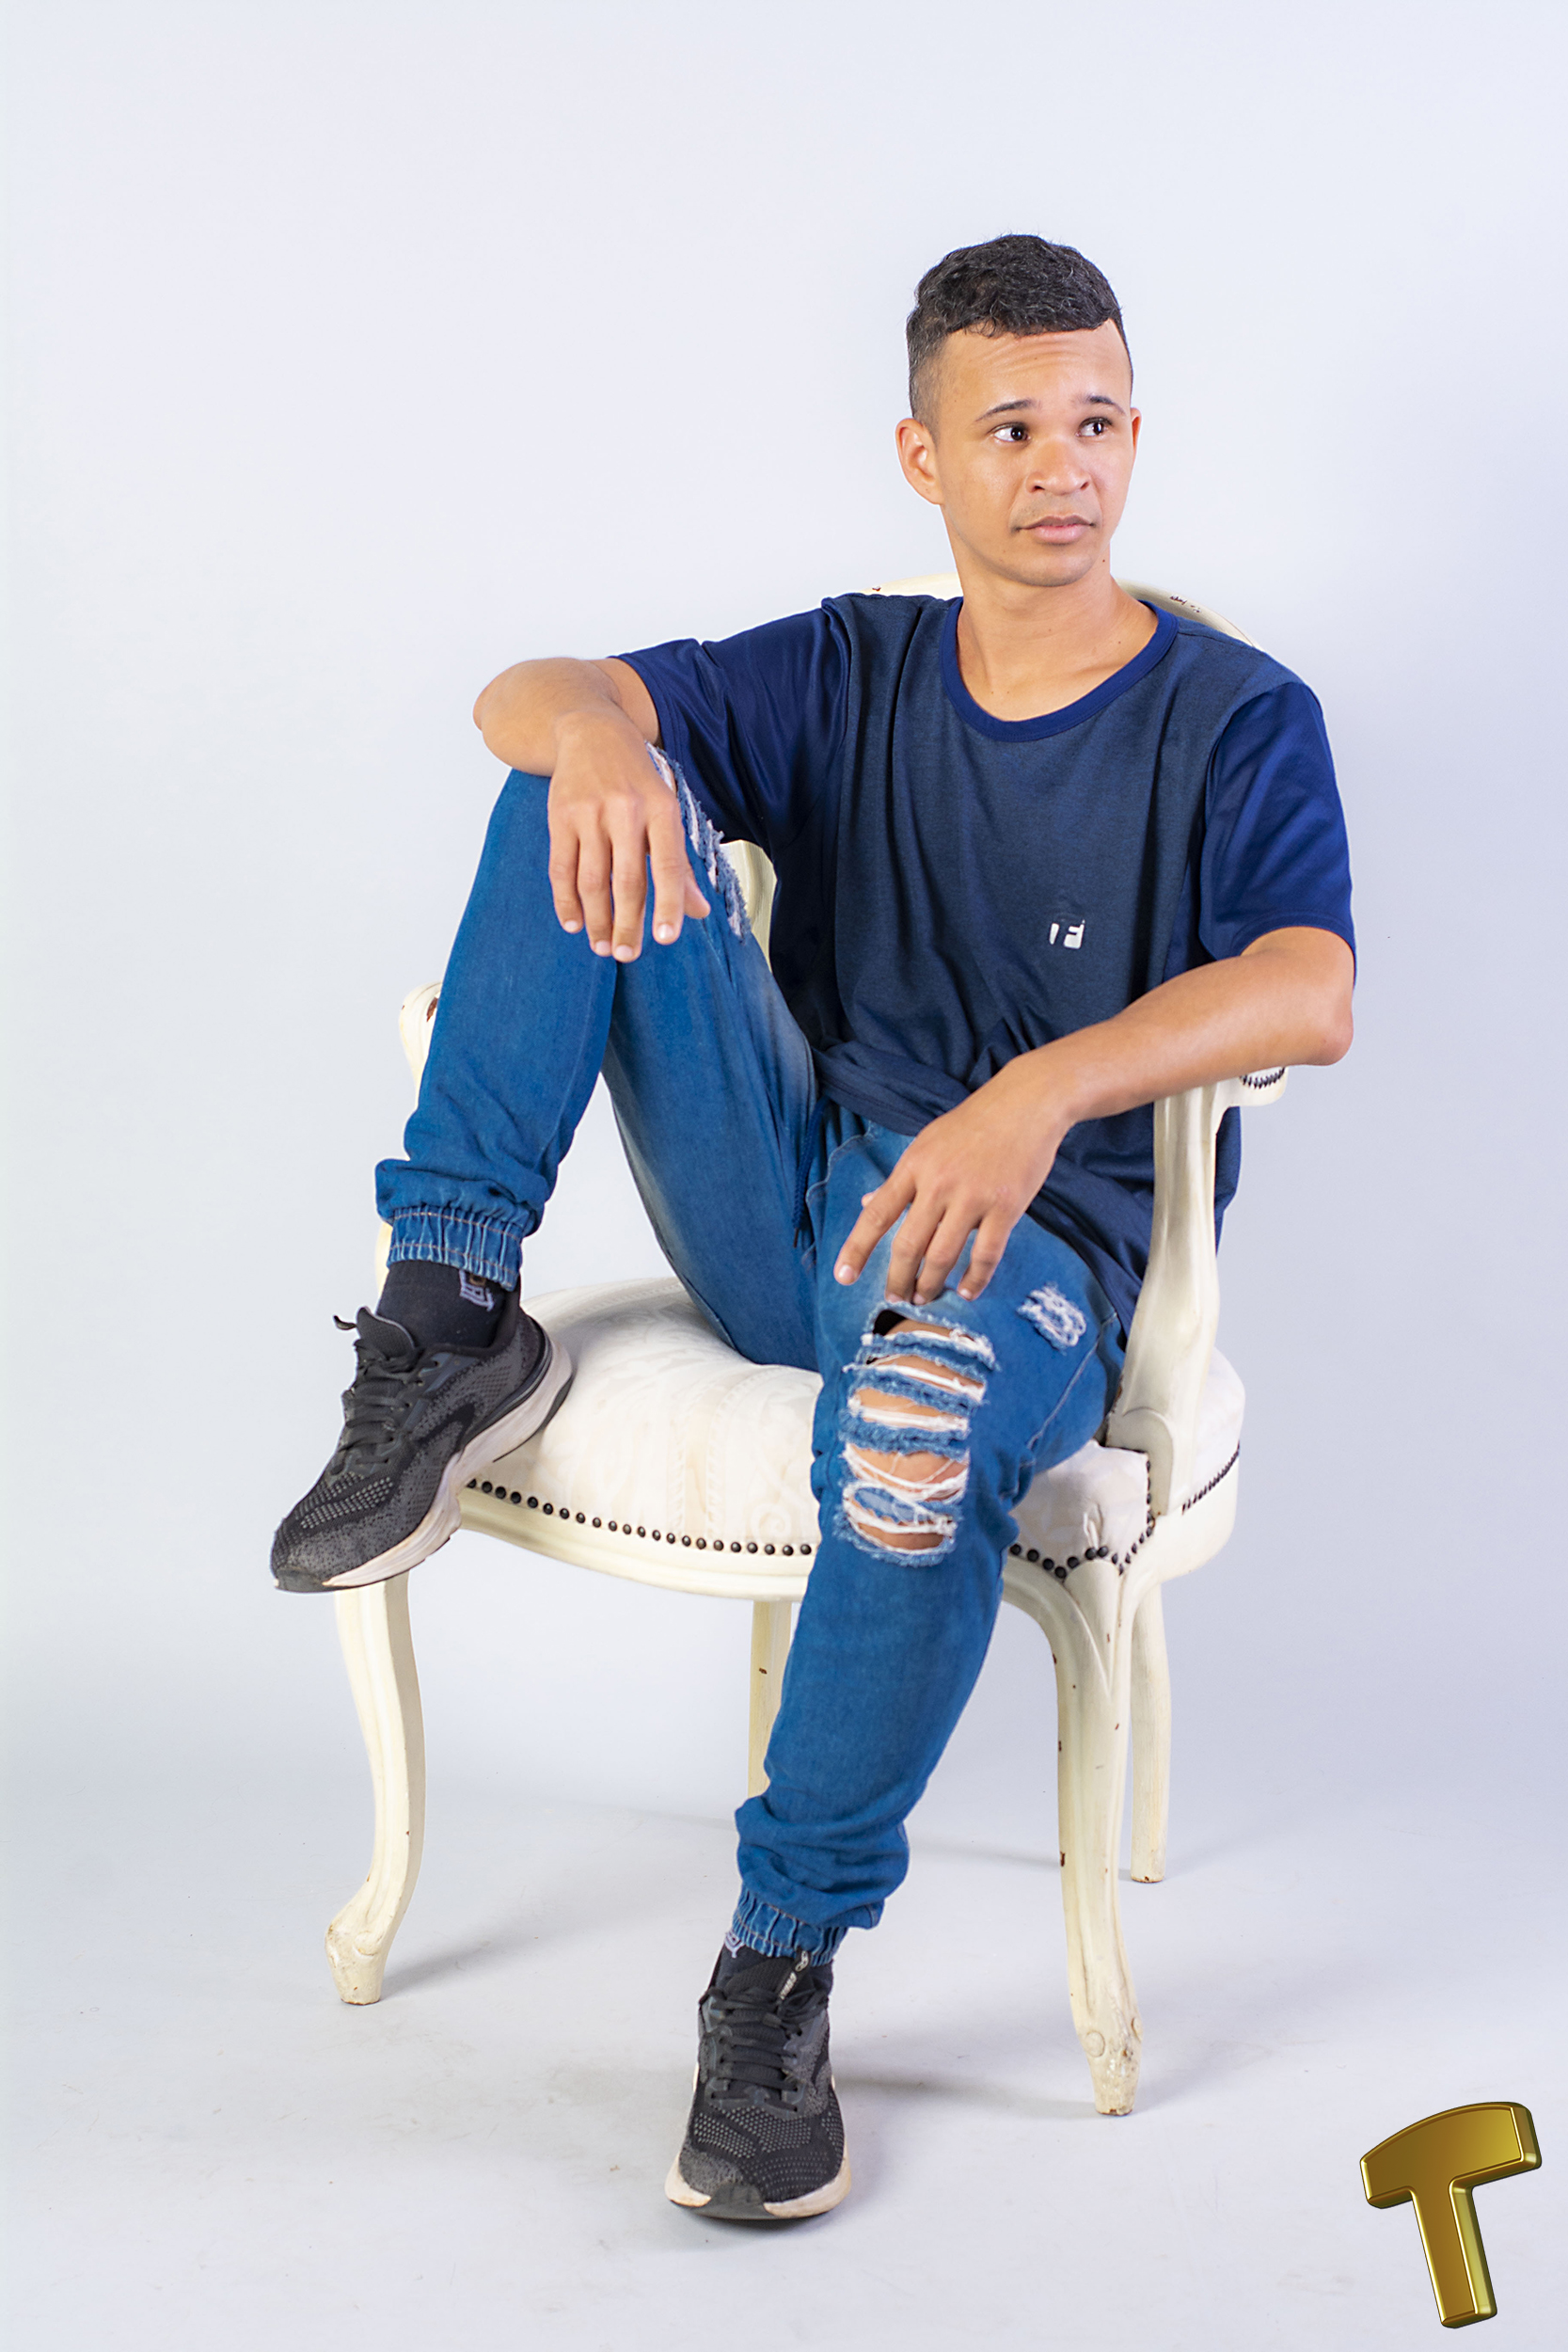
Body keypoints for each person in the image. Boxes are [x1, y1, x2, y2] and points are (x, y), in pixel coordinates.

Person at [273, 234, 1354, 2222]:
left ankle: (775, 1964)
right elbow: (527, 693)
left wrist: (1040, 1094)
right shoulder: (858, 662)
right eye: (1011, 428)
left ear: (1137, 435)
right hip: (784, 1199)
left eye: (1098, 421)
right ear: (922, 456)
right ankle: (445, 1321)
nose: (1064, 466)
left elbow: (1310, 984)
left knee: (921, 1427)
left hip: (1023, 1256)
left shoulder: (1233, 715)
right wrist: (603, 735)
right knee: (574, 779)